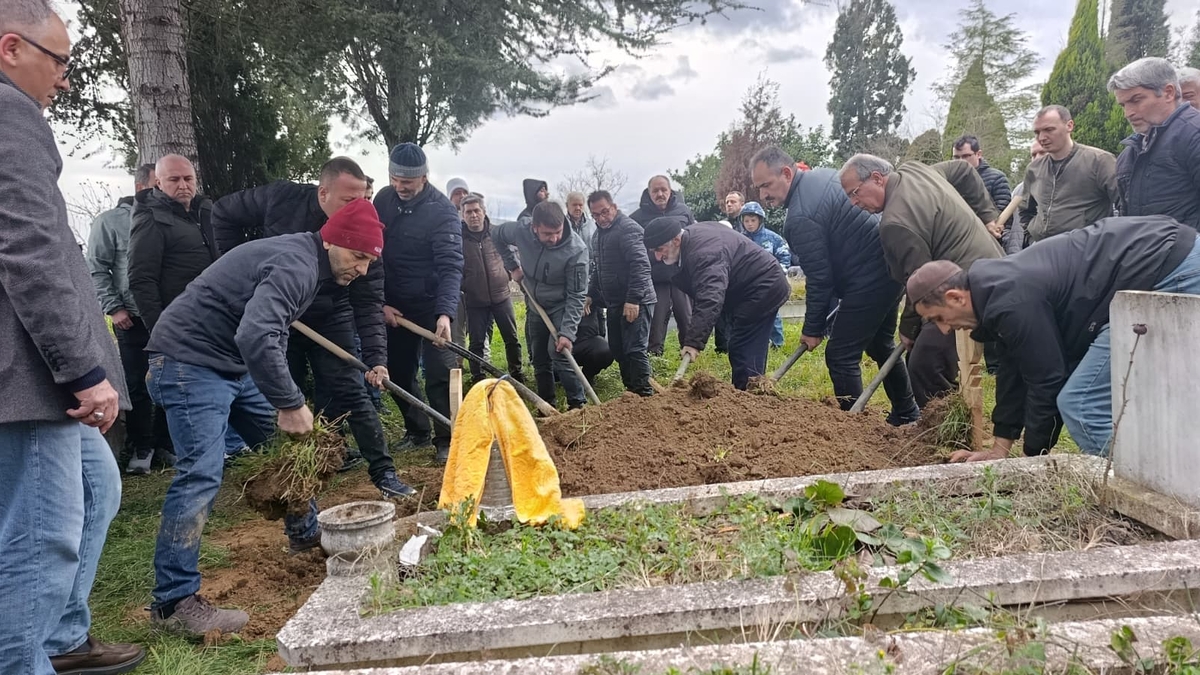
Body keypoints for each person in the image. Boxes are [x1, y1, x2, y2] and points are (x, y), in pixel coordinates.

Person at [147, 199, 384, 635]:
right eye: (358, 257)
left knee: (290, 448)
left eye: (369, 261)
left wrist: (284, 402)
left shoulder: (307, 260)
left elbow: (259, 334)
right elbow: (256, 333)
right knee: (200, 473)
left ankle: (305, 536)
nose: (362, 270)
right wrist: (291, 403)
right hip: (188, 362)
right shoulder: (297, 265)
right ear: (333, 240)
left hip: (228, 364)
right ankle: (173, 602)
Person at [0, 3, 145, 672]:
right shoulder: (8, 116)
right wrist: (83, 369)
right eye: (58, 61)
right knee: (39, 542)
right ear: (11, 49)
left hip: (36, 376)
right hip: (29, 378)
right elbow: (29, 253)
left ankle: (61, 640)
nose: (64, 78)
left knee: (99, 489)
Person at [907, 215, 1198, 461]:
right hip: (1155, 263)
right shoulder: (994, 293)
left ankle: (1143, 493)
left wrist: (1032, 461)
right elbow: (1015, 370)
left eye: (938, 318)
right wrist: (999, 449)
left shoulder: (1011, 303)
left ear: (955, 297)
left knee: (1081, 403)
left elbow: (1047, 379)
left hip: (1168, 268)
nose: (944, 329)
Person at [210, 157, 412, 498]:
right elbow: (223, 213)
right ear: (323, 192)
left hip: (331, 315)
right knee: (283, 394)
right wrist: (249, 277)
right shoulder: (282, 199)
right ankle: (295, 479)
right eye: (350, 201)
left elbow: (368, 301)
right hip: (279, 317)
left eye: (363, 199)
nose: (358, 208)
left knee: (352, 390)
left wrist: (377, 358)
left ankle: (385, 474)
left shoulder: (365, 232)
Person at [751, 146, 918, 425]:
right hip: (889, 270)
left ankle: (855, 429)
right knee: (880, 344)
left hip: (869, 279)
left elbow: (820, 277)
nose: (763, 195)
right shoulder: (824, 176)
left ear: (787, 173)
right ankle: (906, 412)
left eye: (766, 185)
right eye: (758, 188)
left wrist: (813, 329)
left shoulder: (800, 216)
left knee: (840, 355)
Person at [839, 154, 1003, 408]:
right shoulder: (915, 171)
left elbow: (920, 284)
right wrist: (988, 215)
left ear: (877, 178)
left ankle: (945, 433)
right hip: (990, 266)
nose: (854, 202)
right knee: (922, 356)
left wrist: (908, 329)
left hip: (967, 288)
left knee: (926, 362)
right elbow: (963, 170)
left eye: (855, 193)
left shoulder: (895, 223)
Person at [375, 143, 463, 463]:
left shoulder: (442, 212)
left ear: (423, 177)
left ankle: (446, 437)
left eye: (407, 181)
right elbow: (373, 255)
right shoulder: (383, 200)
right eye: (395, 179)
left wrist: (445, 314)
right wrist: (381, 303)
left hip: (432, 303)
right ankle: (417, 429)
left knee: (439, 372)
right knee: (398, 370)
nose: (400, 187)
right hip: (395, 305)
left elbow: (451, 266)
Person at [88, 162, 175, 474]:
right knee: (137, 384)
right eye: (159, 184)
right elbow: (97, 267)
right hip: (132, 318)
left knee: (172, 380)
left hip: (169, 317)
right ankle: (142, 447)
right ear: (141, 187)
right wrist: (114, 307)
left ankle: (167, 445)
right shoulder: (109, 222)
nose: (167, 190)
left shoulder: (172, 219)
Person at [644, 219, 790, 390]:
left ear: (676, 240)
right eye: (654, 251)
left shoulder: (705, 253)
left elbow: (709, 297)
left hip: (762, 287)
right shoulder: (690, 241)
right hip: (745, 288)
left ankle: (749, 397)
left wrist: (693, 342)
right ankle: (750, 390)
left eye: (660, 249)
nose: (658, 257)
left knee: (743, 346)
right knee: (743, 344)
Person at [493, 201, 590, 409]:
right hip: (535, 303)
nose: (554, 238)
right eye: (547, 234)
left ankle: (578, 405)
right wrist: (512, 266)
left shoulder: (576, 251)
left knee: (559, 351)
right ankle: (547, 404)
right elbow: (496, 236)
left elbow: (577, 294)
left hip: (560, 304)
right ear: (534, 227)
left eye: (557, 232)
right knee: (538, 355)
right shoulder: (520, 230)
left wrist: (567, 333)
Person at [1108, 57, 1200, 231]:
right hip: (1147, 257)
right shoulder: (1129, 154)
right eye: (1123, 105)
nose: (1128, 113)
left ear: (1168, 93)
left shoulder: (1194, 134)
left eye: (1136, 100)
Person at [585, 190, 656, 396]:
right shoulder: (598, 235)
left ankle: (645, 396)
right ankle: (630, 393)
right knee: (618, 349)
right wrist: (591, 293)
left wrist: (633, 299)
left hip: (637, 300)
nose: (601, 218)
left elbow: (641, 265)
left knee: (634, 350)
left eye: (605, 212)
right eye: (596, 215)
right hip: (615, 302)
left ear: (614, 207)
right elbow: (599, 268)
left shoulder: (628, 229)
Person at [1019, 105, 1119, 244]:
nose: (1041, 137)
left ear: (1069, 126)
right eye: (1037, 132)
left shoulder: (1099, 161)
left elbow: (1125, 204)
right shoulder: (1034, 169)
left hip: (1089, 252)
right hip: (1045, 253)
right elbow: (1025, 211)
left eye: (1049, 129)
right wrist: (1031, 237)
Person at [459, 194, 524, 382]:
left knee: (511, 338)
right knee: (477, 342)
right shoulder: (458, 239)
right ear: (463, 215)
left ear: (483, 211)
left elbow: (511, 256)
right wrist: (466, 284)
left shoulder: (496, 234)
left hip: (501, 295)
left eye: (476, 210)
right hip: (475, 299)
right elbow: (455, 266)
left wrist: (506, 275)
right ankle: (477, 376)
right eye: (468, 212)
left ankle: (516, 373)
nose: (473, 215)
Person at [630, 175, 695, 356]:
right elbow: (635, 248)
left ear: (670, 191)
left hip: (680, 273)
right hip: (656, 277)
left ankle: (690, 354)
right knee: (657, 320)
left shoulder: (683, 211)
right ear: (648, 193)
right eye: (655, 191)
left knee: (686, 317)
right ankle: (655, 355)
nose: (660, 194)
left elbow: (692, 236)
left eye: (663, 190)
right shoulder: (637, 217)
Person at [737, 202, 790, 349]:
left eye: (753, 220)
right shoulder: (739, 239)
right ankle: (758, 341)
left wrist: (781, 274)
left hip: (770, 282)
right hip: (749, 283)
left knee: (773, 312)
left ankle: (777, 342)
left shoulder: (773, 238)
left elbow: (785, 256)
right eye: (746, 221)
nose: (750, 224)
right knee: (751, 314)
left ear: (760, 220)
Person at [951, 134, 1012, 243]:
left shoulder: (997, 178)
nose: (960, 161)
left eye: (966, 156)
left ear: (978, 154)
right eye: (956, 157)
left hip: (988, 240)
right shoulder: (950, 181)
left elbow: (1002, 215)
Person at [573, 308, 615, 384]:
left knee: (604, 351)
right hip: (556, 342)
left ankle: (587, 376)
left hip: (585, 339)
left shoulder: (590, 298)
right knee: (553, 372)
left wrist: (601, 335)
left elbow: (600, 313)